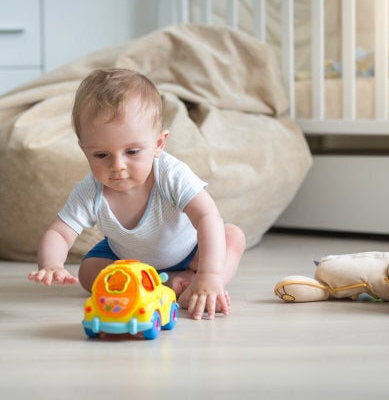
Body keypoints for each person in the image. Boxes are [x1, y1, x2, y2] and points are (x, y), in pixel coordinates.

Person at [28, 68, 245, 320]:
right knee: (88, 272)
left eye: (132, 152)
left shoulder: (170, 174)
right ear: (84, 150)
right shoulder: (90, 191)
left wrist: (209, 274)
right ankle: (168, 284)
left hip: (190, 253)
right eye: (101, 155)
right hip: (128, 262)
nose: (117, 165)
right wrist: (51, 263)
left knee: (231, 236)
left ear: (159, 144)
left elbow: (207, 216)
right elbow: (59, 232)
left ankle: (204, 284)